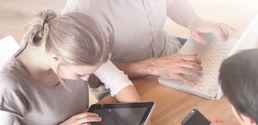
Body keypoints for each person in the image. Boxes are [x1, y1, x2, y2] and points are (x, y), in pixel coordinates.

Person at [0, 10, 151, 125]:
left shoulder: (71, 43)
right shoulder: (10, 84)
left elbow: (117, 80)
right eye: (80, 74)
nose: (87, 79)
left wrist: (142, 124)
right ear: (57, 59)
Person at [62, 0, 233, 85]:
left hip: (172, 53)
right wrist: (151, 67)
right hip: (127, 84)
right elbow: (91, 75)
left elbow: (171, 3)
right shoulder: (83, 11)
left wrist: (194, 21)